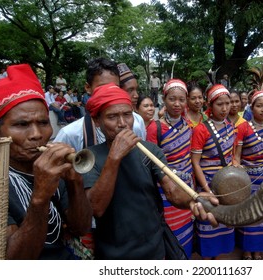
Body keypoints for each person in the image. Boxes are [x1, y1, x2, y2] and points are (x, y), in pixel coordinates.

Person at [82, 82, 218, 259]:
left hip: (153, 246)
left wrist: (193, 200)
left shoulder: (150, 151)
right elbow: (96, 208)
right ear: (97, 121)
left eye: (127, 115)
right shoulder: (89, 157)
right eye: (112, 117)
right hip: (113, 252)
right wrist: (114, 157)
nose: (122, 123)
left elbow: (172, 191)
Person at [0, 64, 92, 259]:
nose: (37, 135)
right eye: (22, 125)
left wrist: (75, 181)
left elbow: (81, 228)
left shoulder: (53, 168)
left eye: (43, 123)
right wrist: (40, 195)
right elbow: (15, 263)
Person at [146, 79, 195, 258]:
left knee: (186, 231)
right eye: (172, 99)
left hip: (187, 186)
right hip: (165, 189)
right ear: (164, 99)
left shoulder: (189, 126)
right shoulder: (155, 127)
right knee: (170, 232)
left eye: (182, 100)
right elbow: (151, 161)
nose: (177, 104)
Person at [54, 58, 146, 152]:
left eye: (115, 88)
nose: (109, 94)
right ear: (88, 88)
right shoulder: (70, 135)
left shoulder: (136, 123)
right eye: (102, 88)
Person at [233, 86, 263, 260]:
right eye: (260, 106)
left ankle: (259, 249)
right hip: (248, 179)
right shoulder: (243, 129)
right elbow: (236, 157)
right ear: (251, 108)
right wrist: (240, 174)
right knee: (249, 214)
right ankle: (247, 249)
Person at [191, 84, 235, 259]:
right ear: (210, 105)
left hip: (227, 185)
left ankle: (217, 258)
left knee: (223, 222)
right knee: (207, 221)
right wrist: (207, 190)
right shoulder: (201, 130)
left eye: (228, 103)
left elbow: (232, 155)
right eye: (219, 104)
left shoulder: (230, 126)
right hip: (208, 183)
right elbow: (195, 163)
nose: (224, 108)